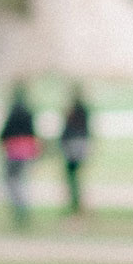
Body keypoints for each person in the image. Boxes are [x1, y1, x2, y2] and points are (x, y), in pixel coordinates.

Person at [0, 83, 40, 230]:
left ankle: (19, 206)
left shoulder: (13, 112)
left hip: (14, 150)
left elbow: (5, 132)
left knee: (11, 180)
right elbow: (33, 132)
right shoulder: (29, 112)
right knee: (21, 180)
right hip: (27, 150)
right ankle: (22, 205)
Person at [59, 85, 92, 215]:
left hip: (73, 143)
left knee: (72, 175)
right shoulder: (83, 110)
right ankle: (75, 202)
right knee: (74, 175)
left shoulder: (72, 111)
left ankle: (75, 203)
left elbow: (67, 129)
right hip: (81, 143)